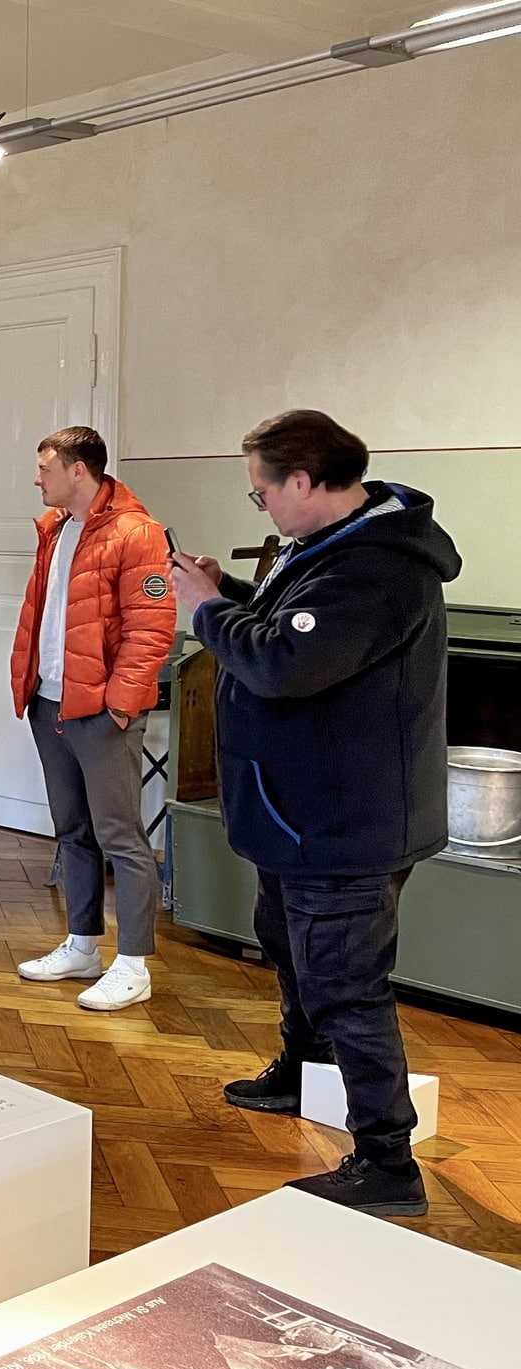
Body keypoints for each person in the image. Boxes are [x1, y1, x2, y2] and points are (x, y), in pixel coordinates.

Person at [171, 410, 459, 1216]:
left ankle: (387, 1163)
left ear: (302, 480)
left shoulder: (377, 566)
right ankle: (303, 1072)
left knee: (346, 984)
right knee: (291, 951)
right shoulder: (327, 546)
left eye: (261, 491)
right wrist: (228, 591)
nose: (260, 504)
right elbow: (288, 627)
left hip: (343, 824)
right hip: (299, 815)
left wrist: (205, 608)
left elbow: (283, 663)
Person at [8, 426, 175, 1012]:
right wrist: (32, 685)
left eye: (45, 468)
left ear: (79, 469)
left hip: (102, 711)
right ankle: (82, 946)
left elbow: (150, 630)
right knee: (71, 829)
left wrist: (120, 705)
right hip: (50, 701)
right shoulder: (55, 528)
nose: (37, 479)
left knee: (120, 836)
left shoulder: (137, 532)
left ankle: (133, 964)